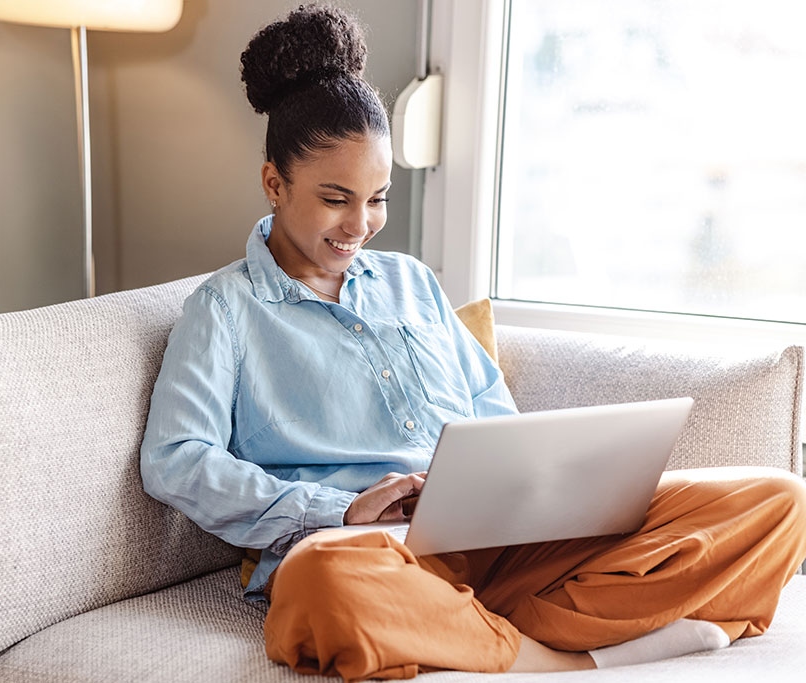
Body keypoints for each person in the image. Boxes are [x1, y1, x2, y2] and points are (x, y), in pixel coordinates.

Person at [140, 4, 806, 679]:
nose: (361, 223)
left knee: (776, 501)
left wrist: (538, 489)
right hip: (365, 552)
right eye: (336, 198)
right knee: (320, 582)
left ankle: (466, 629)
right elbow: (174, 458)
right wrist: (340, 508)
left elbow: (490, 408)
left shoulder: (410, 283)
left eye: (378, 198)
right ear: (273, 183)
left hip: (496, 540)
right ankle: (552, 655)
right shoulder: (223, 309)